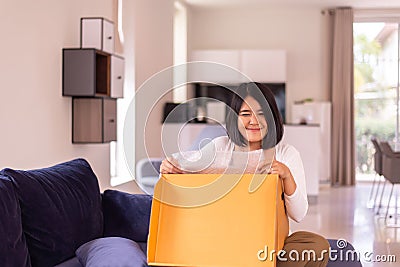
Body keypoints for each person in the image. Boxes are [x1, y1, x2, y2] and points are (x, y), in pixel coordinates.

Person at [160, 82, 330, 267]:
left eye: (261, 114)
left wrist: (286, 176)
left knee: (316, 245)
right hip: (223, 237)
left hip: (267, 242)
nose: (253, 121)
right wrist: (171, 165)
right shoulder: (220, 146)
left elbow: (299, 214)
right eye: (245, 114)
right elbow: (186, 163)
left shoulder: (286, 153)